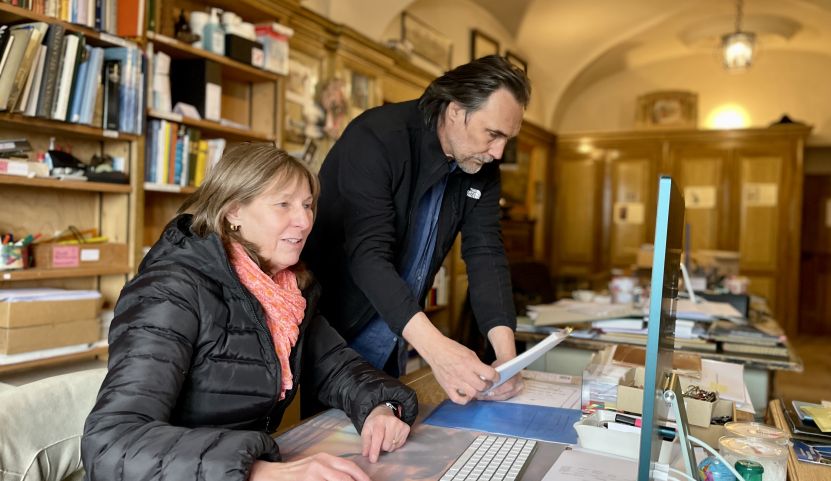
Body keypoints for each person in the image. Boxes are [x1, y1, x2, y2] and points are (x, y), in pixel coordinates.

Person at [82, 143, 417, 481]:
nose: (303, 221)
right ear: (233, 212)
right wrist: (257, 471)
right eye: (283, 204)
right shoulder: (170, 289)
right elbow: (112, 446)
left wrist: (380, 408)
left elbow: (339, 369)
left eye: (307, 205)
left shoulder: (285, 291)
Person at [303, 55, 531, 405]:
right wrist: (439, 352)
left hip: (398, 330)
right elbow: (368, 256)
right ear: (455, 110)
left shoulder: (481, 166)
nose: (498, 152)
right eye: (493, 134)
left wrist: (507, 357)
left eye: (507, 139)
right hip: (336, 334)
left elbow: (486, 253)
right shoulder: (376, 138)